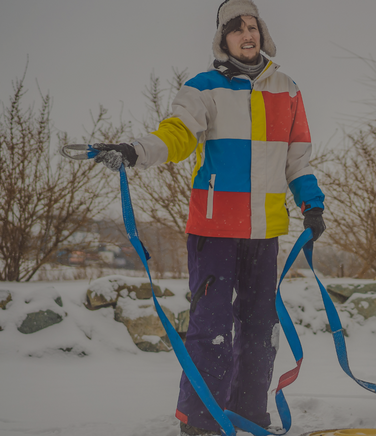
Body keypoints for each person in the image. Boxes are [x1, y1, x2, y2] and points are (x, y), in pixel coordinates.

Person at [88, 1, 325, 434]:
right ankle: (201, 422)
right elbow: (176, 136)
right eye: (237, 29)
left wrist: (312, 204)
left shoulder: (288, 89)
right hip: (214, 231)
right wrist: (134, 151)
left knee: (259, 329)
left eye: (253, 27)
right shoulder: (203, 87)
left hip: (264, 232)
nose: (247, 35)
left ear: (263, 34)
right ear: (223, 39)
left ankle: (249, 415)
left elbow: (298, 158)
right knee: (211, 328)